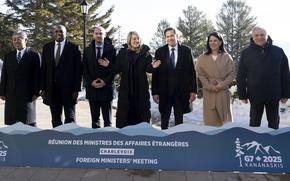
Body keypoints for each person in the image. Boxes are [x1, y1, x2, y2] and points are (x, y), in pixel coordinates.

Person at [237, 26, 290, 129]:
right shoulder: (246, 53)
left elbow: (285, 74)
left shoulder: (278, 51)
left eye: (262, 35)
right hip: (255, 94)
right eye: (256, 35)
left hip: (273, 94)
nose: (259, 37)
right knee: (254, 123)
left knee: (274, 123)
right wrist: (242, 94)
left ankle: (275, 143)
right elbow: (241, 75)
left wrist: (286, 94)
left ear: (267, 36)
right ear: (252, 37)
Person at [104, 31, 160, 128]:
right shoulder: (123, 52)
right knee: (125, 118)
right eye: (134, 38)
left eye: (138, 38)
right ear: (129, 40)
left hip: (141, 91)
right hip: (126, 92)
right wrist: (108, 65)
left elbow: (148, 69)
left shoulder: (145, 52)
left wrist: (154, 67)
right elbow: (117, 68)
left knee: (141, 119)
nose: (136, 40)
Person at [151, 27, 197, 130]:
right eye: (167, 36)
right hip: (164, 92)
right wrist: (155, 92)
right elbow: (156, 74)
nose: (170, 38)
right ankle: (164, 141)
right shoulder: (160, 52)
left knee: (179, 121)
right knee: (164, 120)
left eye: (172, 35)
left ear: (177, 36)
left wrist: (194, 91)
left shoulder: (186, 51)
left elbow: (192, 72)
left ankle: (178, 140)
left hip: (181, 92)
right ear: (165, 38)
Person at [41, 25, 82, 128]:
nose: (59, 33)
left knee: (70, 118)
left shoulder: (74, 48)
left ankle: (70, 141)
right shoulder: (47, 47)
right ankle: (57, 140)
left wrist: (76, 89)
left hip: (69, 90)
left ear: (66, 33)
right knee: (55, 118)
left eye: (61, 31)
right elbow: (44, 69)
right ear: (53, 33)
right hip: (52, 90)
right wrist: (42, 88)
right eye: (56, 31)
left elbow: (78, 70)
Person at [0, 31, 40, 126]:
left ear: (26, 40)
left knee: (28, 122)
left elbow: (38, 75)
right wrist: (2, 92)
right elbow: (4, 76)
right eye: (14, 39)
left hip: (28, 95)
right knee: (12, 123)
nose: (16, 41)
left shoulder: (34, 55)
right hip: (11, 95)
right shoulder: (8, 56)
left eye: (19, 39)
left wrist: (36, 92)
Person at [196, 32, 235, 127]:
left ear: (220, 42)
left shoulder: (227, 57)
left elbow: (231, 74)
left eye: (215, 40)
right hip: (209, 92)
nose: (212, 43)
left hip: (222, 92)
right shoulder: (202, 58)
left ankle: (226, 140)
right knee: (210, 122)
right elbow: (200, 74)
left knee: (225, 122)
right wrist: (209, 85)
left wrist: (221, 84)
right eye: (210, 41)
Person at [83, 26, 116, 128]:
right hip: (92, 90)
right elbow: (84, 69)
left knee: (108, 122)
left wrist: (105, 81)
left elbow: (115, 69)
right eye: (96, 33)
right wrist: (90, 82)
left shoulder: (112, 50)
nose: (98, 35)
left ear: (104, 35)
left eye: (101, 33)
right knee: (95, 121)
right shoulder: (87, 50)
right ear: (93, 35)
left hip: (106, 89)